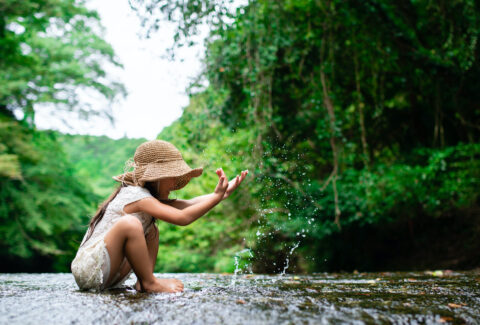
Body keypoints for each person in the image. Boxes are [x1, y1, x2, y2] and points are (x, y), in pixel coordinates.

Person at [71, 140, 248, 293]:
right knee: (131, 224)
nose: (175, 183)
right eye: (171, 177)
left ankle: (142, 281)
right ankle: (150, 282)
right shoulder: (136, 195)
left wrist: (221, 195)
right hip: (91, 271)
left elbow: (188, 204)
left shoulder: (149, 198)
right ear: (155, 177)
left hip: (108, 272)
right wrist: (217, 197)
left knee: (152, 230)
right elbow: (183, 217)